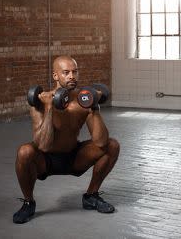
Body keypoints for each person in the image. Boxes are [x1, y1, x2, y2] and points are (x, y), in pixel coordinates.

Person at [13, 56, 120, 224]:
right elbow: (43, 145)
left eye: (75, 72)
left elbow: (100, 142)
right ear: (56, 76)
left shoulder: (82, 101)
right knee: (24, 152)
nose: (72, 76)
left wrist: (94, 107)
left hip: (74, 158)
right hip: (45, 160)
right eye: (66, 72)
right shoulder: (40, 102)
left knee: (112, 145)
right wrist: (49, 108)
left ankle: (91, 196)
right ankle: (28, 203)